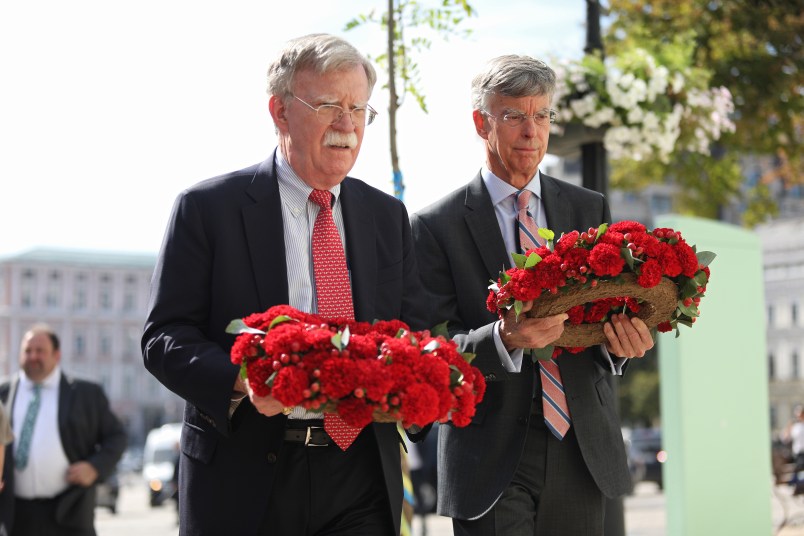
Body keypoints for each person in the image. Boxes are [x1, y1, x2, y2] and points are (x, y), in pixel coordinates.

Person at [142, 33, 428, 536]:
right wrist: (243, 379)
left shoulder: (387, 216)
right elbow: (164, 338)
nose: (347, 124)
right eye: (329, 105)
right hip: (245, 477)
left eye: (359, 108)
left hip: (360, 472)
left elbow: (415, 328)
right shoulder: (207, 209)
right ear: (279, 112)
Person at [410, 55, 655, 535]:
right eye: (514, 116)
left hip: (582, 449)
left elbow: (603, 320)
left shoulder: (588, 207)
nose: (531, 130)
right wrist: (504, 339)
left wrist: (622, 346)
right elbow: (430, 351)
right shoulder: (433, 227)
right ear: (481, 123)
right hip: (491, 457)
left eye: (541, 115)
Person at [0, 325, 127, 536]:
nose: (32, 356)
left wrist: (94, 467)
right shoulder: (3, 392)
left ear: (56, 355)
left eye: (40, 350)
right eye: (27, 351)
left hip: (68, 512)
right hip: (14, 516)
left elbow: (117, 436)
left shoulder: (86, 393)